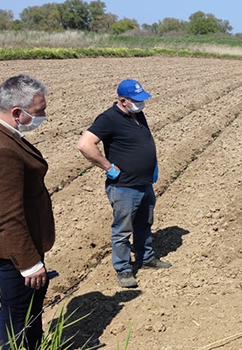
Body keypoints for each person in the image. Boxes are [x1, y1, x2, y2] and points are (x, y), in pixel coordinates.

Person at [0, 74, 55, 349]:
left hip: (6, 241)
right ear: (16, 112)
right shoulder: (2, 151)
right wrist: (29, 263)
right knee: (19, 313)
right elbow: (9, 215)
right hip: (15, 249)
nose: (44, 115)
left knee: (19, 309)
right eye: (39, 112)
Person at [77, 79, 171, 288]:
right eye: (137, 100)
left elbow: (147, 137)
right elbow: (85, 144)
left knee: (144, 224)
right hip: (124, 186)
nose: (142, 104)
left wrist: (153, 162)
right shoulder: (108, 119)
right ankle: (124, 269)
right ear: (123, 100)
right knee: (122, 230)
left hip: (144, 182)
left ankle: (146, 259)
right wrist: (107, 167)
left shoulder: (137, 114)